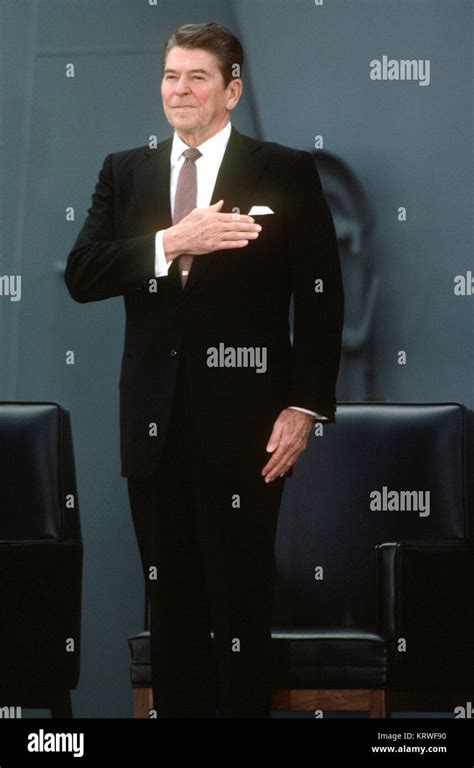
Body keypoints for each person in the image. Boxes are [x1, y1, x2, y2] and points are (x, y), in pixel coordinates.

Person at [64, 21, 344, 718]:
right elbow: (81, 273)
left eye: (196, 77)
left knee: (241, 614)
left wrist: (305, 407)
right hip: (154, 432)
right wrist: (170, 241)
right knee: (174, 618)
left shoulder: (282, 170)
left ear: (232, 91)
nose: (179, 90)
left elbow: (321, 296)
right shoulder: (125, 169)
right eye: (170, 76)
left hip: (249, 434)